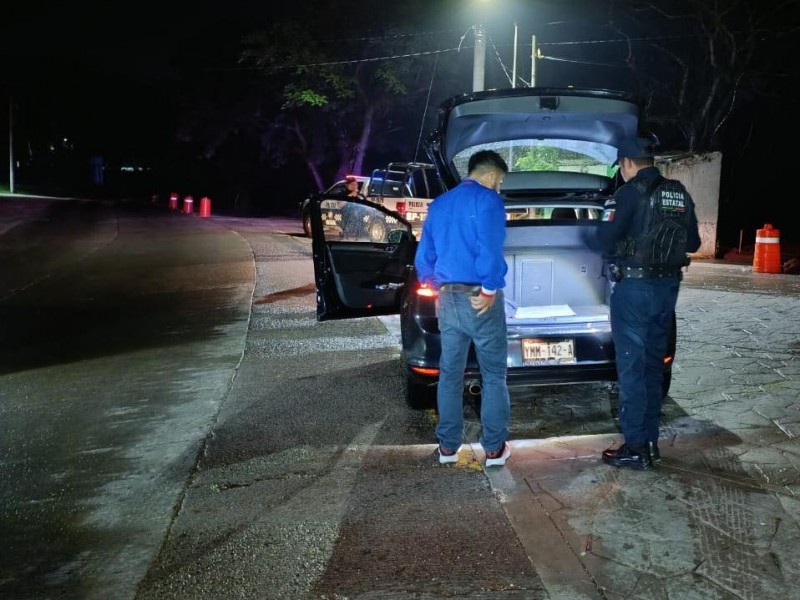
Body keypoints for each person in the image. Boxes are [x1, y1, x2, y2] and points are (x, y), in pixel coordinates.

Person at [599, 137, 701, 470]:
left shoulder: (627, 194)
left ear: (627, 163)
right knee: (653, 368)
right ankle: (650, 443)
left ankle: (635, 448)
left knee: (632, 368)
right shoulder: (679, 193)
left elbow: (604, 239)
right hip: (667, 289)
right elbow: (693, 242)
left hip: (635, 290)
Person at [414, 149, 512, 467]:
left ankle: (447, 448)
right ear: (491, 175)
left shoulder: (440, 204)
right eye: (499, 181)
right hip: (479, 298)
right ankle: (494, 449)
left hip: (448, 298)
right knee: (493, 375)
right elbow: (490, 250)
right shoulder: (488, 200)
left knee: (450, 375)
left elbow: (424, 256)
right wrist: (489, 289)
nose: (499, 188)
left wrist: (435, 287)